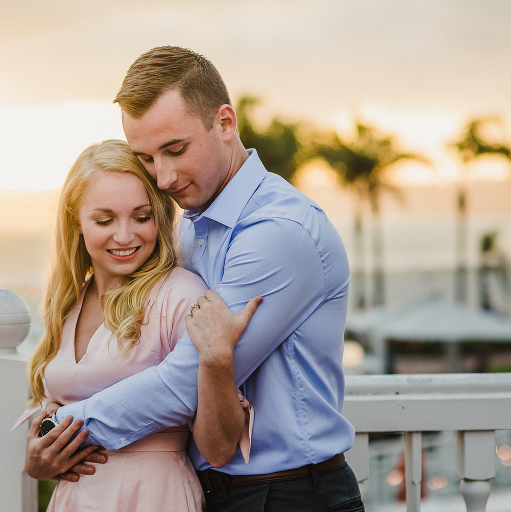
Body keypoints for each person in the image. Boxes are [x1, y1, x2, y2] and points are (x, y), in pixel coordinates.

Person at [31, 47, 365, 512]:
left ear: (225, 123)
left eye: (176, 149)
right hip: (218, 492)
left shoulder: (278, 233)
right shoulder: (191, 225)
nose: (163, 177)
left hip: (290, 494)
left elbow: (183, 382)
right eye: (146, 157)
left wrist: (59, 432)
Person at [21, 139, 260, 511]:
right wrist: (39, 461)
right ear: (76, 222)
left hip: (153, 496)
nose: (125, 235)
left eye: (141, 216)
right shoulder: (69, 303)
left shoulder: (179, 295)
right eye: (104, 220)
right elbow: (51, 421)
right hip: (75, 500)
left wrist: (218, 360)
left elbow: (218, 446)